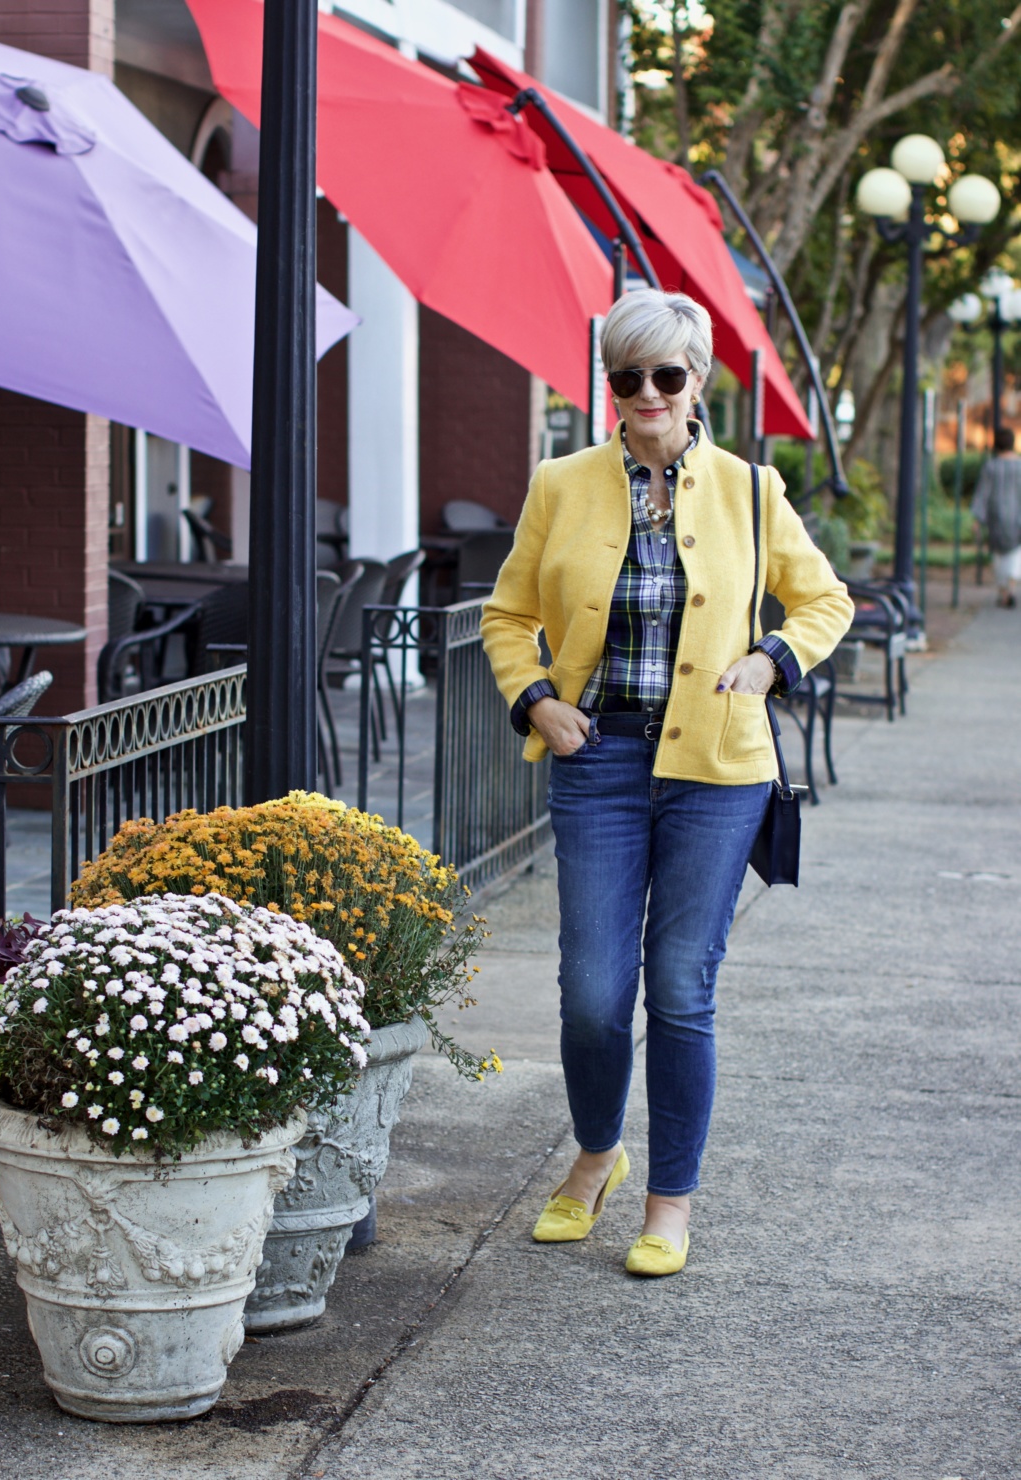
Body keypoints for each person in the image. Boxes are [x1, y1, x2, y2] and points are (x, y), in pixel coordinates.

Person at [481, 290, 853, 1277]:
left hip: (716, 768)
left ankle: (668, 1200)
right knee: (593, 995)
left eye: (664, 376)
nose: (644, 394)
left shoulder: (747, 489)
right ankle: (599, 1153)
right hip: (595, 760)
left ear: (696, 383)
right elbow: (506, 615)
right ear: (609, 386)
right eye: (624, 377)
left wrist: (772, 657)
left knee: (679, 988)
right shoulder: (560, 484)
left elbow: (824, 598)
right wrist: (534, 700)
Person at [971, 426, 1021, 608]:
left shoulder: (991, 466)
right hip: (1017, 519)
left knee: (999, 557)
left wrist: (977, 519)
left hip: (996, 518)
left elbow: (982, 494)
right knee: (1016, 554)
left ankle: (1003, 591)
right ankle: (1011, 588)